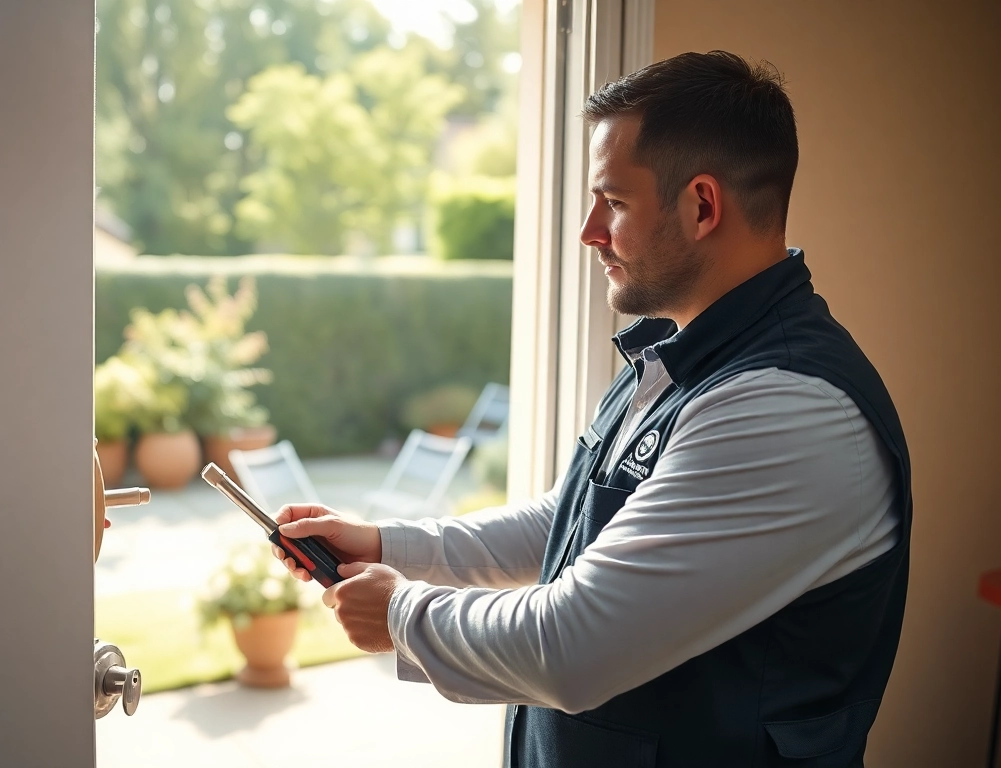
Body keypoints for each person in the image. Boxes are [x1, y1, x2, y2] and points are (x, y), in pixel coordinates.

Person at [273, 51, 910, 767]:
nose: (589, 232)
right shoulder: (678, 354)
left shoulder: (786, 408)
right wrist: (391, 545)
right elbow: (573, 522)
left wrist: (399, 612)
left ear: (702, 205)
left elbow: (571, 647)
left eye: (614, 201)